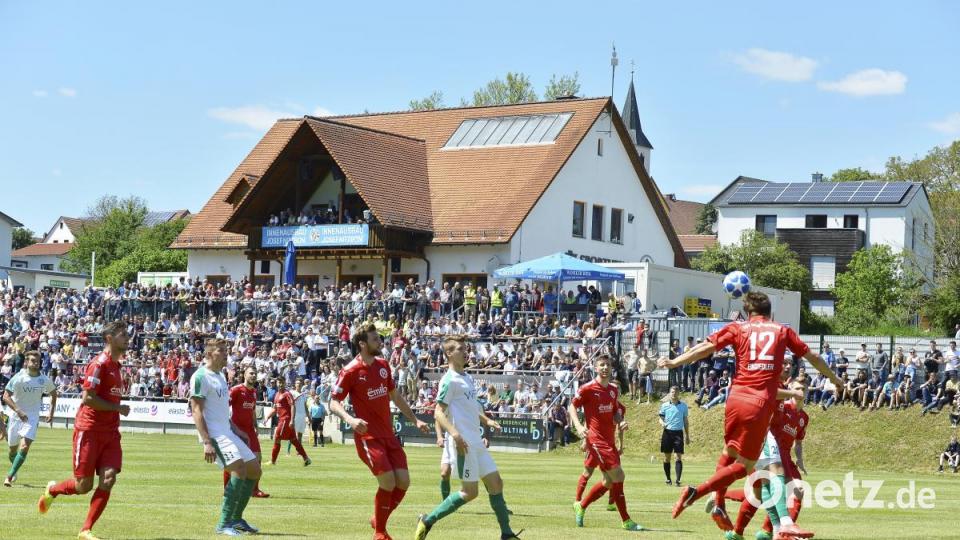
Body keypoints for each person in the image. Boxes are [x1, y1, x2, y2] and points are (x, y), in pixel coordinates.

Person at [658, 291, 843, 536]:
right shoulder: (781, 331)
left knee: (732, 454)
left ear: (747, 313)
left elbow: (704, 348)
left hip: (735, 399)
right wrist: (835, 379)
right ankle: (775, 522)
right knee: (757, 467)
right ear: (771, 313)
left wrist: (674, 362)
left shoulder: (738, 328)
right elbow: (815, 357)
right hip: (759, 404)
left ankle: (721, 503)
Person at [329, 322, 430, 540]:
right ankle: (380, 533)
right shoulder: (351, 370)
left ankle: (378, 520)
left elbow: (396, 396)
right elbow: (333, 402)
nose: (380, 342)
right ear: (363, 344)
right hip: (369, 437)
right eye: (375, 339)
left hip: (388, 435)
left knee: (403, 482)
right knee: (387, 483)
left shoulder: (383, 365)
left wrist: (415, 420)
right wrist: (350, 419)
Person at [414, 336, 521, 540]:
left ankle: (507, 534)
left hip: (477, 443)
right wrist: (454, 434)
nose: (466, 352)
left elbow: (470, 408)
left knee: (496, 483)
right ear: (449, 354)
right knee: (469, 492)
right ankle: (427, 521)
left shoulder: (466, 377)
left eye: (466, 348)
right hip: (464, 444)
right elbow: (438, 412)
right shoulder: (449, 380)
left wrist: (486, 420)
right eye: (461, 349)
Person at [38, 321, 133, 540]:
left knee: (108, 479)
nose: (127, 338)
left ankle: (85, 529)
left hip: (110, 432)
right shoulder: (98, 364)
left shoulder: (118, 366)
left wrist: (115, 411)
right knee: (83, 487)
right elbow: (88, 398)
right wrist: (117, 407)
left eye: (127, 334)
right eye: (122, 335)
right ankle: (52, 491)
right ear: (109, 338)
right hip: (88, 430)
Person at [189, 338, 262, 536]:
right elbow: (196, 411)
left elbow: (220, 410)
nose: (225, 353)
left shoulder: (220, 375)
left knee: (254, 470)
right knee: (238, 469)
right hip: (213, 435)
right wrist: (206, 442)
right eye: (221, 350)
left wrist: (236, 430)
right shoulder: (200, 376)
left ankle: (236, 518)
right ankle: (224, 522)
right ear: (209, 354)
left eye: (225, 350)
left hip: (227, 431)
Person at [569, 355, 644, 531]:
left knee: (608, 482)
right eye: (601, 365)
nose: (605, 368)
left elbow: (615, 413)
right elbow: (572, 406)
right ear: (596, 368)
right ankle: (626, 520)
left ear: (611, 368)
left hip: (609, 441)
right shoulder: (587, 388)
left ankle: (582, 505)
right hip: (596, 440)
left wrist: (621, 421)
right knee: (619, 476)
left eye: (608, 365)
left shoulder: (613, 390)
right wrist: (579, 426)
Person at [3, 351, 57, 486]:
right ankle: (14, 470)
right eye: (33, 360)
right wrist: (18, 410)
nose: (36, 363)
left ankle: (9, 477)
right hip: (15, 417)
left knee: (25, 446)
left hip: (32, 417)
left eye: (38, 360)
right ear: (26, 362)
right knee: (12, 450)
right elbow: (5, 396)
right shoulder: (18, 378)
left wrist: (51, 412)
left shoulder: (43, 379)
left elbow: (54, 394)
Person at [227, 366, 269, 498]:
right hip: (237, 430)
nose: (253, 375)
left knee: (258, 458)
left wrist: (256, 425)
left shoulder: (254, 392)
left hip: (250, 429)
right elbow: (224, 407)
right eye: (251, 373)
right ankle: (227, 490)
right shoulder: (236, 390)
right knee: (233, 459)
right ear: (244, 375)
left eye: (255, 373)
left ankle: (254, 490)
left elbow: (252, 410)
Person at [265, 378, 310, 466]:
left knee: (277, 438)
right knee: (294, 440)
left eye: (282, 383)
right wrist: (267, 417)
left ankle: (273, 461)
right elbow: (275, 408)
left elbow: (293, 406)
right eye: (279, 383)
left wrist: (292, 420)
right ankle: (306, 458)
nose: (280, 384)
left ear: (284, 383)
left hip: (285, 420)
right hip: (283, 420)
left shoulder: (287, 394)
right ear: (277, 383)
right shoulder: (277, 394)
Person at [659, 386, 691, 487]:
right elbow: (660, 418)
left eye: (676, 392)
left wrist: (687, 435)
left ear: (678, 393)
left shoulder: (683, 406)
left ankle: (678, 480)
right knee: (667, 458)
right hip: (667, 433)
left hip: (678, 433)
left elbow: (686, 421)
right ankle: (668, 479)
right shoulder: (664, 405)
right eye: (672, 392)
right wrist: (662, 423)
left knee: (678, 457)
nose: (674, 394)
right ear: (669, 393)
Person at [287, 379, 309, 455]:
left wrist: (308, 417)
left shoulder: (304, 395)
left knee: (300, 435)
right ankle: (288, 451)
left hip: (302, 415)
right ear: (295, 384)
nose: (298, 385)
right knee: (292, 434)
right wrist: (296, 397)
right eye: (297, 383)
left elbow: (305, 406)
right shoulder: (292, 393)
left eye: (300, 383)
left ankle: (298, 451)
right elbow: (290, 403)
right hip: (295, 415)